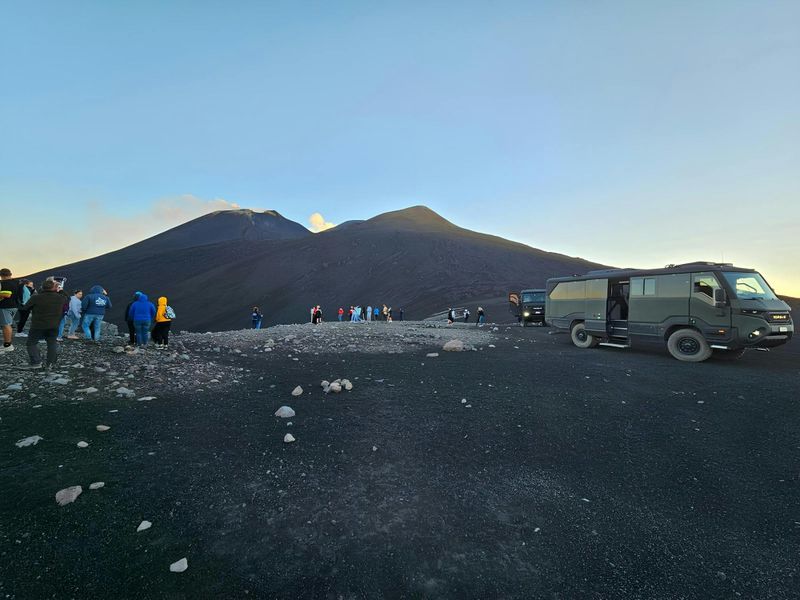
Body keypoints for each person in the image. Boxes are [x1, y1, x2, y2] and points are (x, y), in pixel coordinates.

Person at [21, 278, 70, 370]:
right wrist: (61, 290)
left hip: (38, 325)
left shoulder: (36, 297)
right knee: (52, 343)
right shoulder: (60, 298)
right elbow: (68, 298)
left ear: (42, 288)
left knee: (31, 343)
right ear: (55, 288)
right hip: (54, 325)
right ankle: (50, 364)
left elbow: (25, 308)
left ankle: (36, 362)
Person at [0, 268, 20, 352]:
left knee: (6, 325)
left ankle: (7, 345)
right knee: (8, 324)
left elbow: (7, 294)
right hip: (14, 306)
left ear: (1, 275)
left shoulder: (4, 283)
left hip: (5, 306)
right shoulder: (16, 282)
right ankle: (7, 344)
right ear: (10, 274)